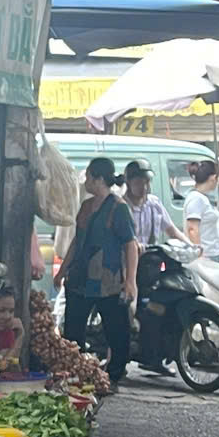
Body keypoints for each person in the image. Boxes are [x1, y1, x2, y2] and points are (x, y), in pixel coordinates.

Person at [59, 156, 137, 391]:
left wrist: (130, 281)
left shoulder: (118, 208)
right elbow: (76, 241)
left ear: (99, 179)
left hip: (108, 281)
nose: (85, 181)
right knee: (73, 330)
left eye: (89, 176)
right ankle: (76, 374)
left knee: (116, 330)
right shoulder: (85, 206)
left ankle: (113, 375)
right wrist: (62, 271)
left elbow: (130, 245)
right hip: (80, 279)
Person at [124, 160, 182, 245]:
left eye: (147, 182)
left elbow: (172, 231)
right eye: (139, 183)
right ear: (128, 183)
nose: (144, 187)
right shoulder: (121, 206)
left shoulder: (154, 203)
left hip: (150, 255)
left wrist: (191, 246)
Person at [182, 160, 219, 262]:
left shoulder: (202, 198)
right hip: (207, 255)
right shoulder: (196, 199)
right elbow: (192, 229)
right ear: (213, 178)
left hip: (213, 253)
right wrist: (199, 256)